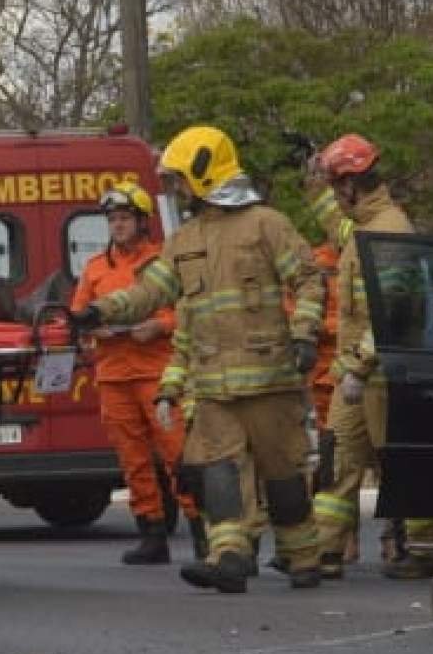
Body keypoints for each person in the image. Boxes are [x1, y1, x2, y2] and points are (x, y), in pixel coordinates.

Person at [76, 125, 330, 592]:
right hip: (212, 384)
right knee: (217, 471)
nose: (174, 189)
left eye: (178, 178)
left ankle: (301, 555)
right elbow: (150, 291)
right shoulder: (184, 239)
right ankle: (229, 555)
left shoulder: (266, 224)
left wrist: (304, 335)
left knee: (284, 473)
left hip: (270, 377)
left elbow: (311, 281)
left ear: (204, 173)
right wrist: (98, 310)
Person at [294, 134, 433, 578]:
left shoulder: (390, 230)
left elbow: (393, 312)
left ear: (351, 186)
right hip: (357, 375)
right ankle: (322, 552)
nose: (336, 199)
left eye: (335, 188)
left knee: (401, 462)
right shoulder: (363, 226)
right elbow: (336, 228)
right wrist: (312, 184)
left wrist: (359, 368)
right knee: (337, 460)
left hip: (383, 373)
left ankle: (425, 548)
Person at [70, 183, 183, 564]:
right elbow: (78, 315)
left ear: (141, 221)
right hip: (114, 374)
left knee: (177, 454)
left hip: (156, 372)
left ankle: (202, 529)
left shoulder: (163, 263)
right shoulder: (95, 268)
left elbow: (186, 312)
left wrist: (159, 327)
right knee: (133, 460)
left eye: (124, 219)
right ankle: (151, 532)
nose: (117, 226)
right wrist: (91, 330)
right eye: (113, 220)